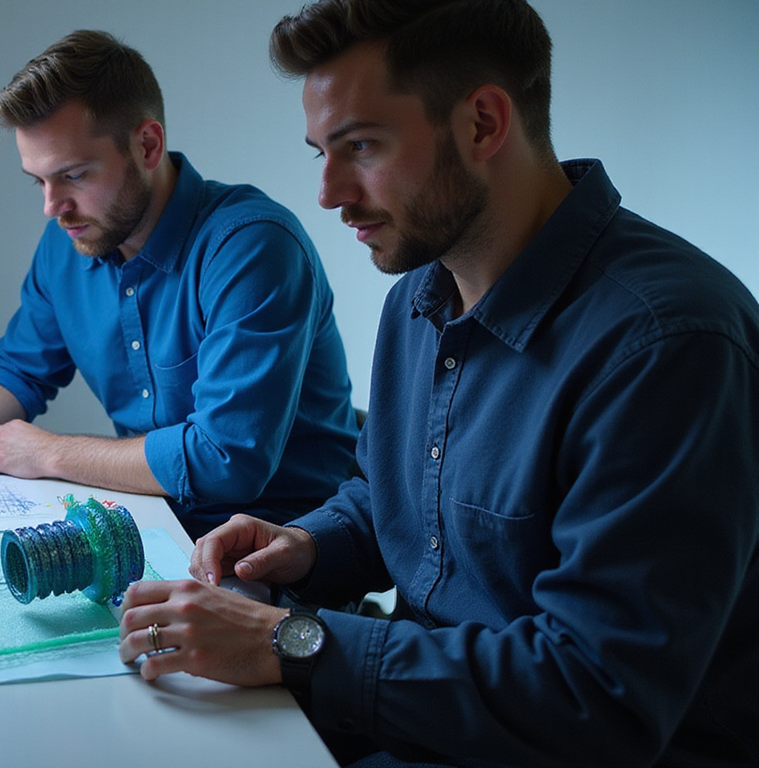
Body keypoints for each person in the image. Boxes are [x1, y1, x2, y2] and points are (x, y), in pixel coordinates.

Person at [116, 1, 759, 765]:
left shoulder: (666, 342)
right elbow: (391, 495)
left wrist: (289, 642)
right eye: (321, 151)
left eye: (360, 147)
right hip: (420, 713)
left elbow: (597, 696)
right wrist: (304, 546)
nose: (326, 192)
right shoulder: (418, 297)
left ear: (484, 124)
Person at [0, 30, 360, 538]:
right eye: (39, 181)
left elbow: (227, 459)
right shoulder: (67, 241)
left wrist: (48, 452)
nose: (52, 207)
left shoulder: (252, 247)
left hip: (286, 546)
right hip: (157, 524)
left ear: (148, 145)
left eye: (73, 175)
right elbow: (20, 371)